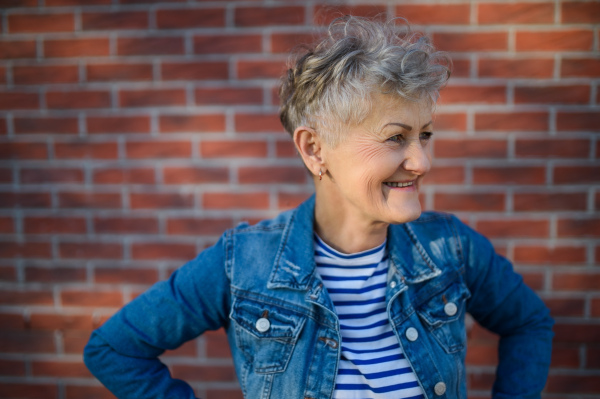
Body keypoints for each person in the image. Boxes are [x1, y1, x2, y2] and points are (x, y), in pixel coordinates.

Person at [84, 16, 554, 399]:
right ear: (314, 149)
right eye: (396, 137)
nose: (422, 161)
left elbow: (529, 322)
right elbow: (115, 350)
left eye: (424, 134)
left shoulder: (450, 246)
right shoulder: (243, 263)